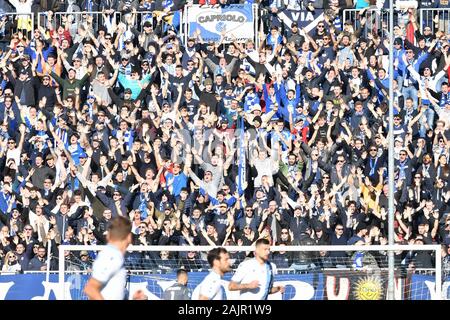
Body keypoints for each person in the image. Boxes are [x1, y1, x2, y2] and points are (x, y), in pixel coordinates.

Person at [83, 216, 147, 300]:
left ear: (108, 236)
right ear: (129, 237)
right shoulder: (112, 256)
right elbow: (91, 289)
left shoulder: (114, 254)